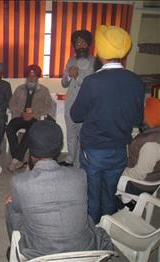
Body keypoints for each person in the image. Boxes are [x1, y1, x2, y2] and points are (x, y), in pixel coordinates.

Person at [5, 120, 113, 260]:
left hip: (40, 253)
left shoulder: (20, 182)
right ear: (58, 147)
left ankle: (15, 249)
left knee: (11, 206)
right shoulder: (80, 175)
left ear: (31, 150)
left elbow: (19, 210)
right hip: (84, 250)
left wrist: (14, 202)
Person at [70, 25, 145, 224]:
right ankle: (109, 228)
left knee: (92, 195)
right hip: (120, 150)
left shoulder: (93, 82)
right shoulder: (136, 81)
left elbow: (76, 115)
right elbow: (138, 120)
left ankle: (95, 233)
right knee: (109, 193)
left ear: (100, 52)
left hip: (94, 150)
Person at [59, 30, 95, 167]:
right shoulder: (71, 60)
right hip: (70, 104)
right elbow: (64, 83)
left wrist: (77, 77)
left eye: (83, 42)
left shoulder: (94, 61)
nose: (80, 45)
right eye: (77, 43)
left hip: (85, 105)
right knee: (71, 133)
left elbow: (92, 84)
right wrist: (68, 76)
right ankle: (69, 159)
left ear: (88, 44)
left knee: (82, 135)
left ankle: (80, 162)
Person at [7, 64, 52, 171]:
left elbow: (48, 106)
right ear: (26, 77)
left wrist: (34, 114)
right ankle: (19, 158)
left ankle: (16, 159)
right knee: (9, 128)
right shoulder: (19, 89)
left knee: (30, 131)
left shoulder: (44, 90)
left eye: (34, 76)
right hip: (20, 116)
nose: (31, 78)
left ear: (38, 77)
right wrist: (21, 113)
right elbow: (11, 103)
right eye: (29, 76)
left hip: (34, 118)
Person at [121, 97, 160, 195]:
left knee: (103, 178)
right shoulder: (152, 132)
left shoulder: (152, 144)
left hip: (139, 186)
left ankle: (119, 203)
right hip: (147, 180)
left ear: (149, 116)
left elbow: (139, 174)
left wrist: (117, 171)